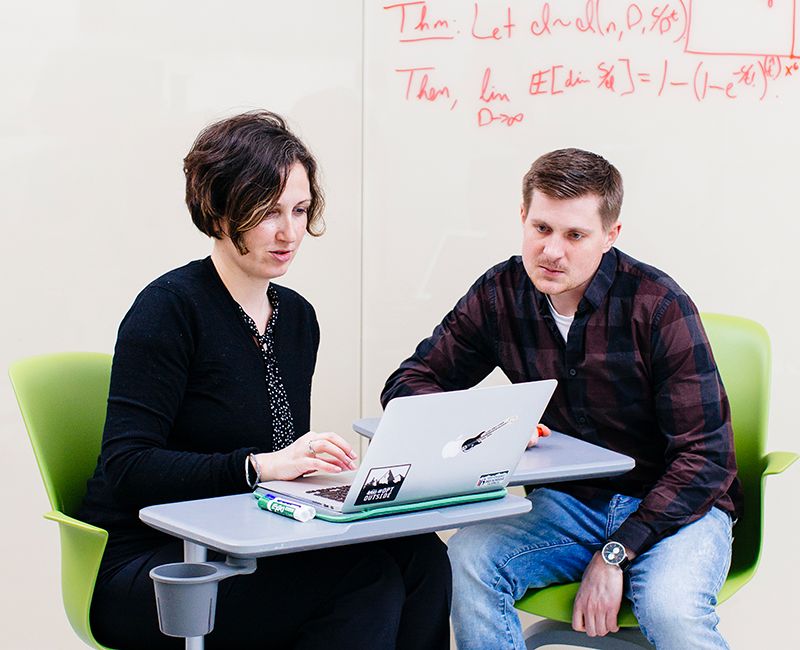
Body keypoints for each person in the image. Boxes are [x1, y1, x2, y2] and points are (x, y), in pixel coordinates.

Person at [78, 110, 451, 650]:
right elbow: (128, 466)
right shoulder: (168, 310)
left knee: (421, 559)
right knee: (362, 581)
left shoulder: (297, 317)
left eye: (299, 211)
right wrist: (260, 466)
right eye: (267, 212)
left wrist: (324, 478)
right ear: (220, 210)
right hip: (159, 565)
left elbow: (277, 464)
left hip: (248, 539)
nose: (289, 232)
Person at [381, 148, 741, 649]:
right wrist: (491, 429)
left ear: (610, 236)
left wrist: (616, 552)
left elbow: (707, 459)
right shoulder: (500, 294)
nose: (552, 252)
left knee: (671, 607)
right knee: (467, 560)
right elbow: (409, 384)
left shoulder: (659, 305)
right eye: (542, 229)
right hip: (568, 506)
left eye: (575, 235)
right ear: (522, 217)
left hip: (676, 509)